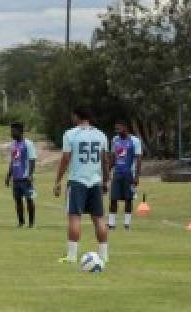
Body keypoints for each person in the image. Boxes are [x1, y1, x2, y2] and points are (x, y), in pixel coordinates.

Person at [53, 106, 109, 266]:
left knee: (74, 218)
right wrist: (105, 180)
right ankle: (104, 256)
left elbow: (65, 158)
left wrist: (58, 180)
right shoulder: (100, 134)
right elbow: (105, 159)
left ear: (77, 117)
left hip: (77, 181)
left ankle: (71, 256)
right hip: (95, 181)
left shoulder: (70, 134)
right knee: (99, 218)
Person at [5, 122, 37, 228]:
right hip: (16, 178)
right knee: (18, 201)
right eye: (11, 130)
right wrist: (9, 175)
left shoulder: (28, 144)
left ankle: (31, 223)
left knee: (29, 200)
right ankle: (21, 222)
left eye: (13, 130)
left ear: (20, 131)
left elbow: (32, 160)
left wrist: (30, 175)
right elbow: (13, 161)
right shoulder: (13, 144)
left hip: (25, 178)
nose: (11, 132)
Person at [108, 121, 138, 231]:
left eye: (119, 129)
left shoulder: (134, 140)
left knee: (128, 199)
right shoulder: (115, 140)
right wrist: (107, 172)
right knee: (113, 198)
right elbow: (113, 157)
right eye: (116, 130)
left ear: (125, 128)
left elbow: (138, 159)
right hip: (117, 173)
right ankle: (111, 224)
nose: (117, 132)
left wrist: (137, 176)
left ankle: (127, 224)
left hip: (129, 174)